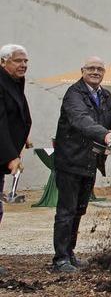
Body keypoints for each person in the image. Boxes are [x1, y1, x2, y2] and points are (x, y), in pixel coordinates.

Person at [52, 57, 111, 272]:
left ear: (104, 73)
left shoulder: (105, 95)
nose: (95, 72)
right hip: (70, 160)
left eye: (99, 69)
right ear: (82, 71)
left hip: (90, 161)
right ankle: (60, 259)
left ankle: (70, 252)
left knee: (79, 210)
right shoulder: (74, 94)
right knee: (66, 210)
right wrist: (105, 135)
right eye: (91, 68)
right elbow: (81, 120)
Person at [0, 44, 31, 275]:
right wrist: (11, 156)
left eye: (26, 61)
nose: (23, 65)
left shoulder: (15, 82)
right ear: (3, 62)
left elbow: (15, 115)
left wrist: (22, 138)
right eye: (18, 61)